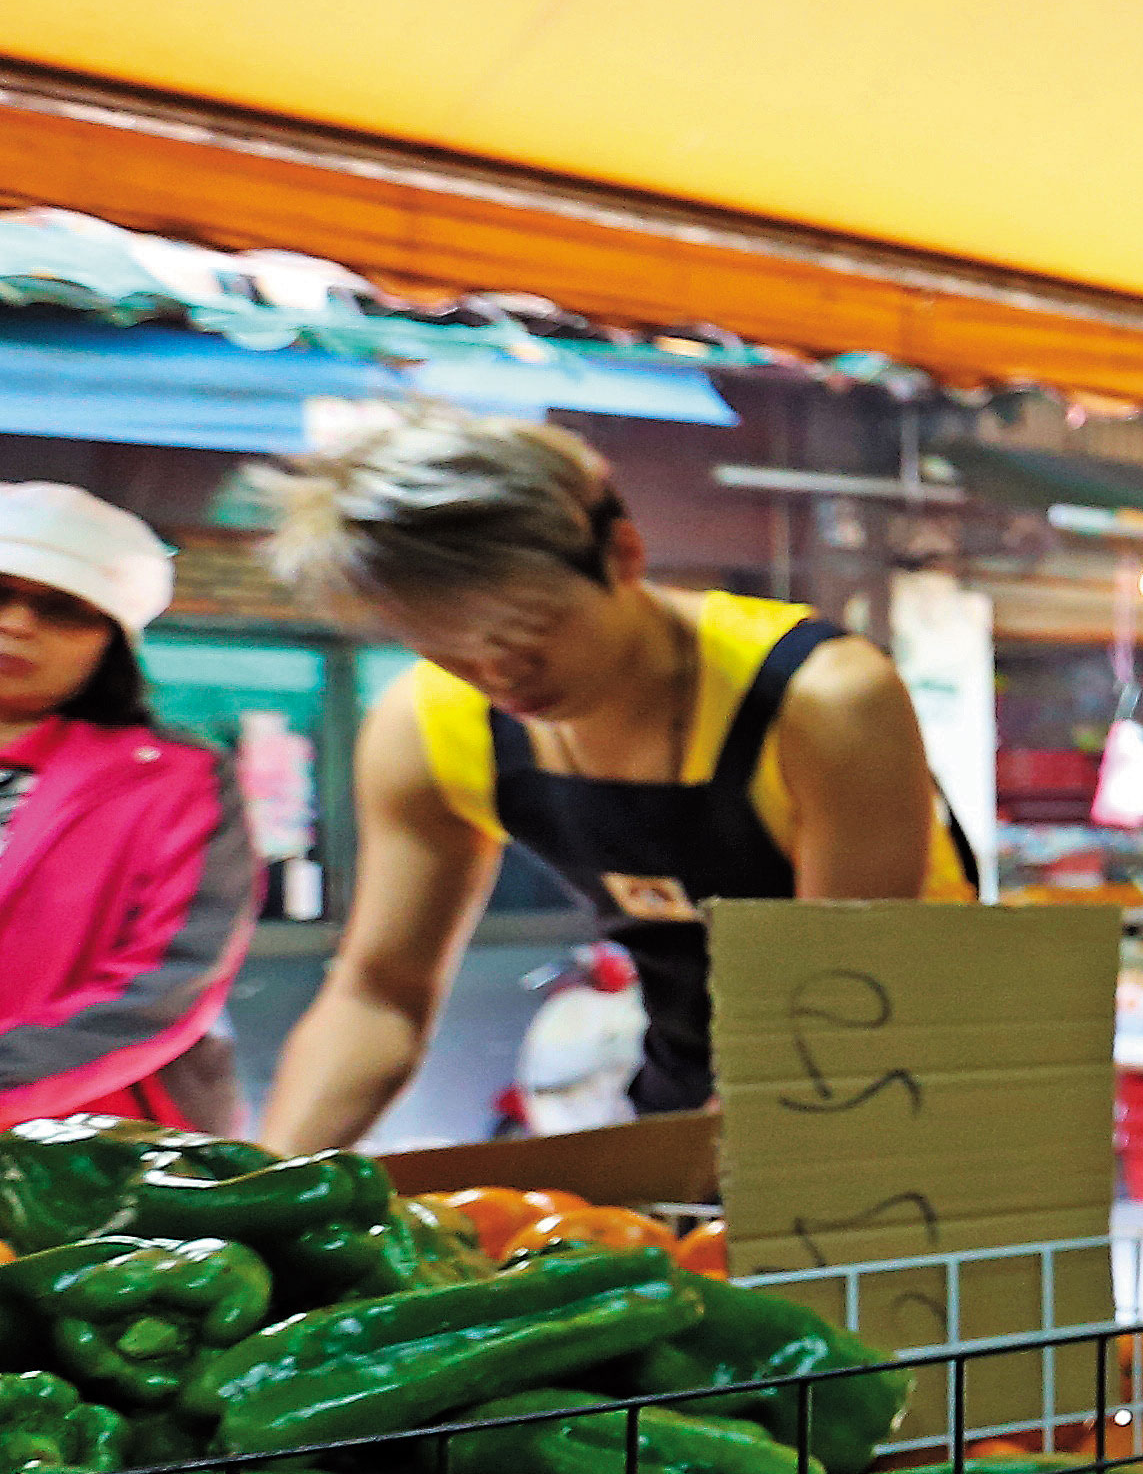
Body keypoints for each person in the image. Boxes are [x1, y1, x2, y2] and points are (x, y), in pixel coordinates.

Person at [255, 415, 974, 1144]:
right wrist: (259, 1194)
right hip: (695, 1080)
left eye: (527, 633)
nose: (499, 675)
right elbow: (381, 995)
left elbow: (845, 1001)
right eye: (451, 651)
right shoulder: (427, 727)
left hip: (914, 1084)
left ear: (622, 552)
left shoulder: (823, 701)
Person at [0, 485, 258, 1127]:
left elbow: (172, 980)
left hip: (103, 1147)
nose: (17, 623)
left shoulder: (180, 777)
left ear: (110, 640)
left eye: (62, 609)